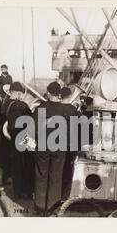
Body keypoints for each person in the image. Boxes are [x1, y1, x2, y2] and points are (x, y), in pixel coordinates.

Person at [32, 82, 73, 214]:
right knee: (56, 176)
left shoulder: (40, 108)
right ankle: (52, 207)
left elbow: (34, 130)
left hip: (43, 145)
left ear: (48, 93)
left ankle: (40, 207)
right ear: (59, 94)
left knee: (41, 174)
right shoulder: (65, 110)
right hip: (59, 146)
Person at [4, 82, 35, 200]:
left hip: (11, 139)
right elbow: (29, 122)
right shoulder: (20, 105)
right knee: (24, 166)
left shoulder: (6, 104)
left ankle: (17, 192)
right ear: (17, 93)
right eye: (22, 94)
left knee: (16, 166)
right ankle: (24, 192)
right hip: (22, 139)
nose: (22, 96)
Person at [60, 86, 81, 200]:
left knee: (58, 170)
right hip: (71, 144)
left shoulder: (56, 108)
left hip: (57, 143)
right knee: (68, 170)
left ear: (60, 96)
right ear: (69, 96)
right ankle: (65, 194)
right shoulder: (74, 110)